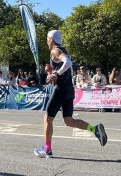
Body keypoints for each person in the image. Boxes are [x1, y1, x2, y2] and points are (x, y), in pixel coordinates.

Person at [33, 30, 107, 158]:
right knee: (69, 120)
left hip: (61, 90)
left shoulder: (55, 50)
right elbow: (68, 70)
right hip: (69, 90)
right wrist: (51, 72)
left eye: (47, 38)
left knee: (47, 118)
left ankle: (47, 149)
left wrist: (55, 74)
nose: (46, 41)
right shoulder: (63, 49)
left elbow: (68, 63)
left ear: (51, 39)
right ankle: (95, 130)